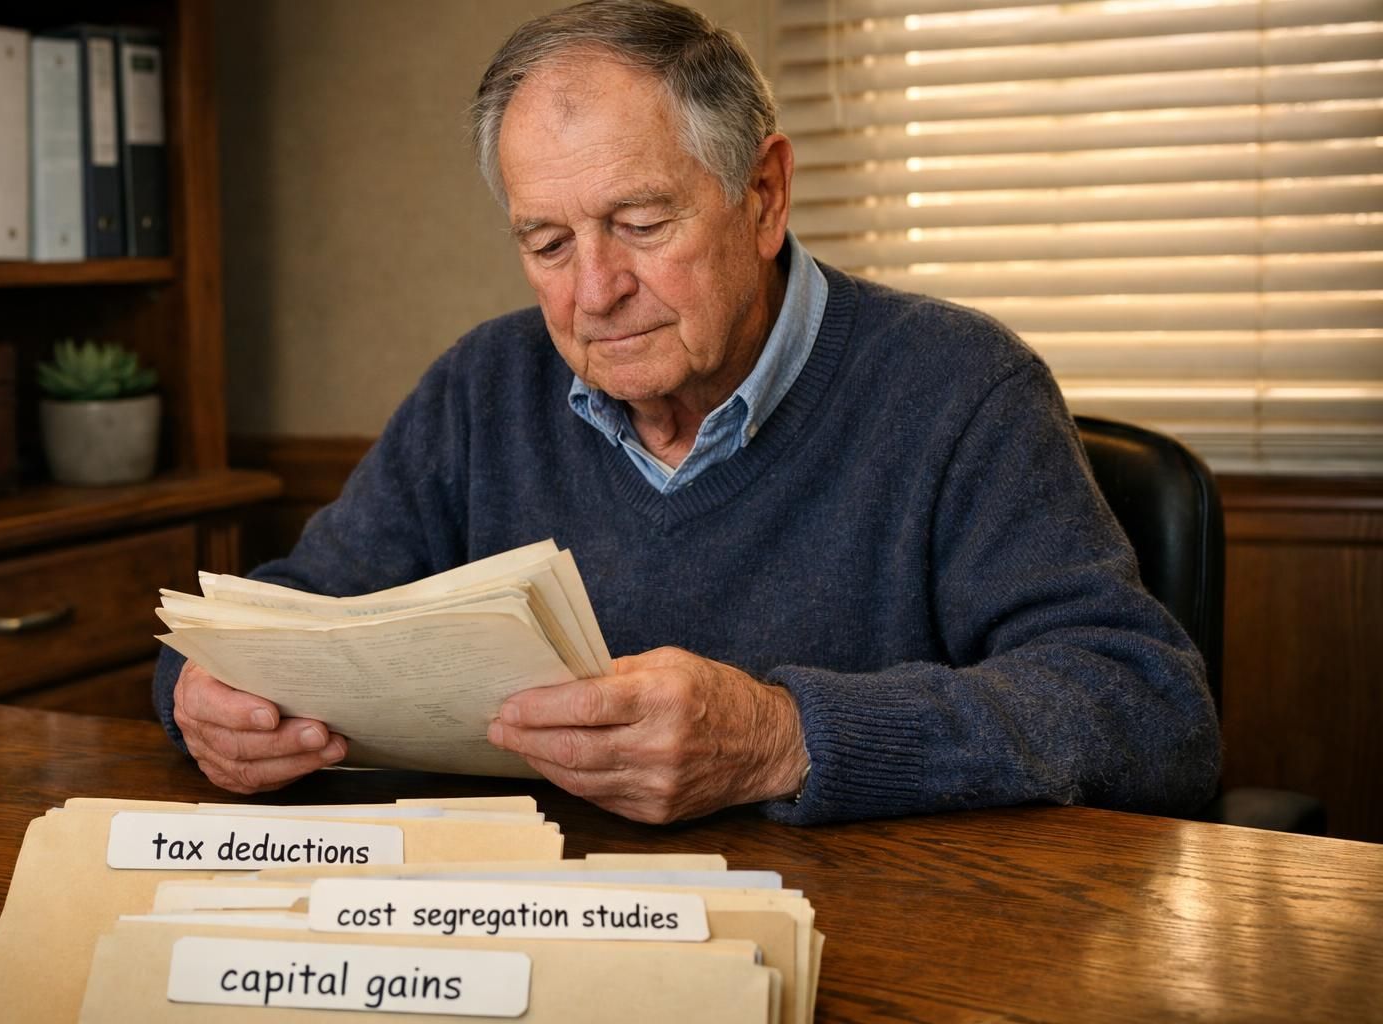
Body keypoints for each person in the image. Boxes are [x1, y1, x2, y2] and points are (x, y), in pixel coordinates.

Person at [155, 0, 1220, 825]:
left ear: (764, 196)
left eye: (639, 221)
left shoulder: (958, 384)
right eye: (548, 242)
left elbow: (1144, 710)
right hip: (532, 937)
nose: (593, 291)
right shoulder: (482, 389)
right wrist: (205, 693)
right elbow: (284, 614)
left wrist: (784, 734)